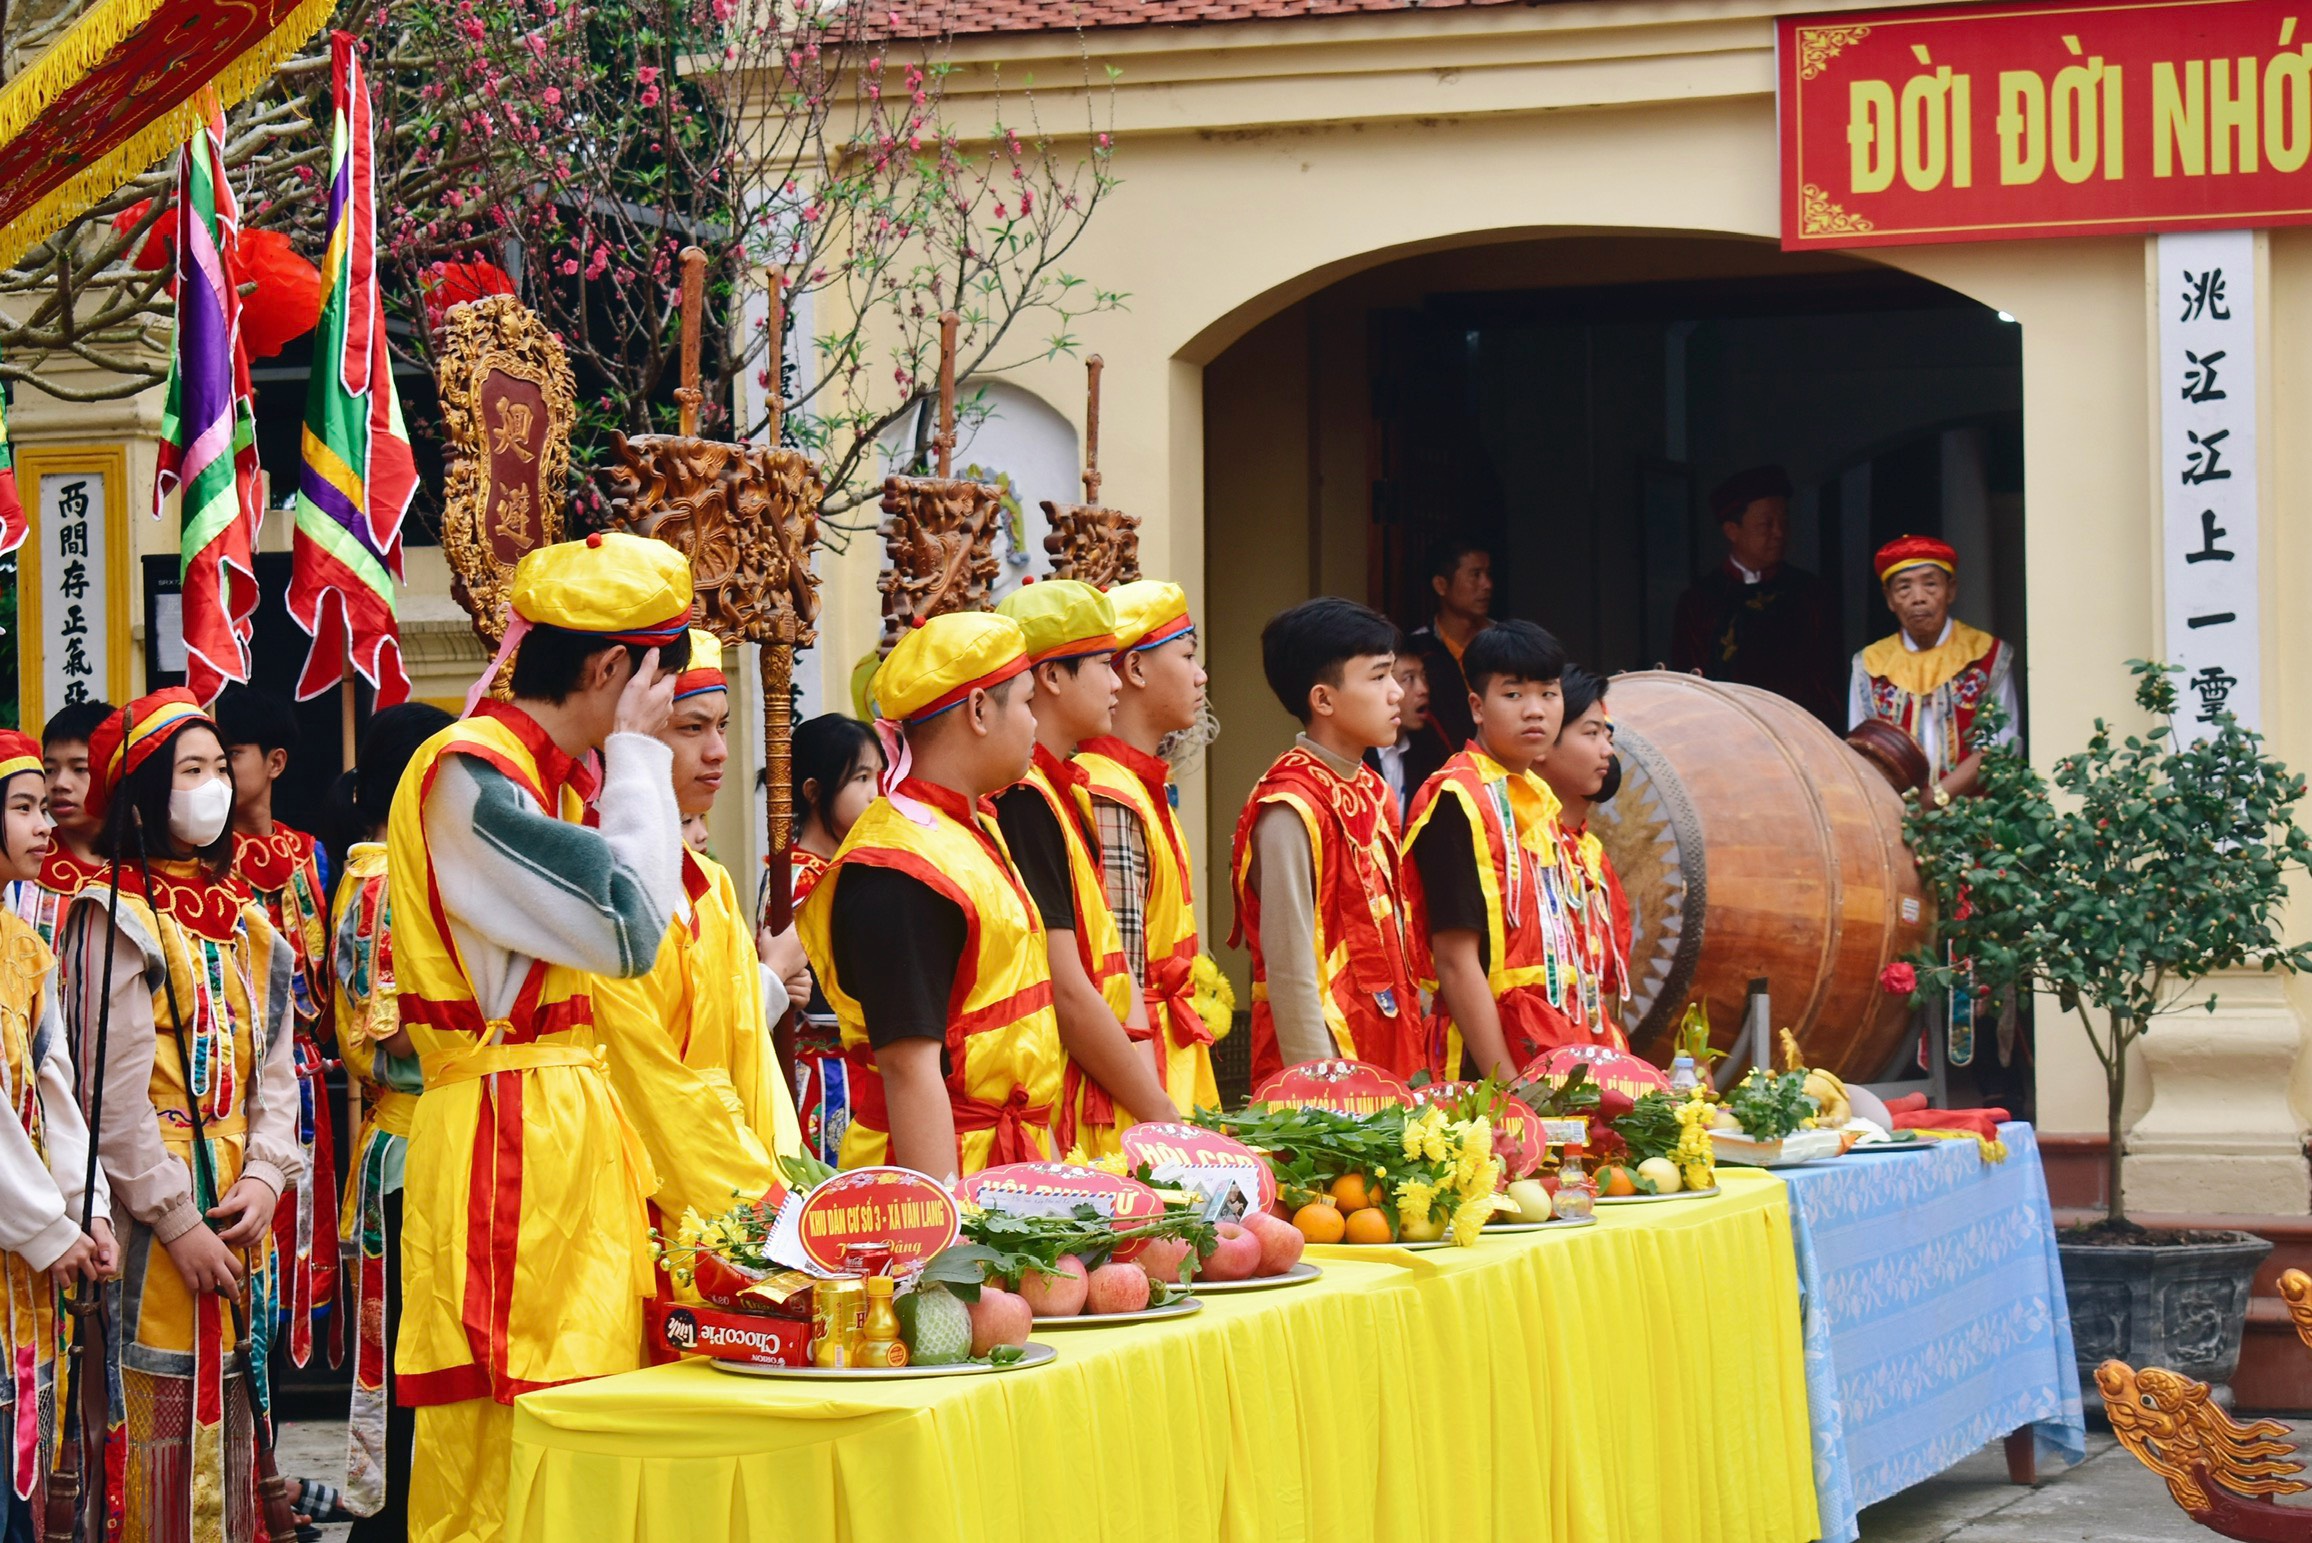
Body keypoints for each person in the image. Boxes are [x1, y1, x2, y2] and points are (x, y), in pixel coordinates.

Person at [385, 531, 700, 1543]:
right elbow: (630, 928)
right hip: (506, 1145)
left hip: (562, 1136)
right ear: (613, 669)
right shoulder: (469, 778)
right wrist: (642, 761)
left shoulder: (549, 775)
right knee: (509, 1429)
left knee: (587, 1407)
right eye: (661, 690)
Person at [66, 690, 300, 1543]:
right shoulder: (112, 915)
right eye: (188, 770)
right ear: (141, 790)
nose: (211, 787)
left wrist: (270, 1172)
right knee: (160, 1417)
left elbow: (276, 1069)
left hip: (241, 1207)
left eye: (215, 767)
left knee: (240, 1407)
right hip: (153, 1218)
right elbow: (110, 1101)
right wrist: (174, 1221)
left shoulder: (244, 917)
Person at [796, 611, 1066, 1178]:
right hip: (939, 1182)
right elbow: (908, 1069)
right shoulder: (899, 865)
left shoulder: (973, 830)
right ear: (977, 710)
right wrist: (943, 1250)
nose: (1037, 723)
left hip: (1006, 1166)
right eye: (1025, 703)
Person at [592, 627, 808, 1223]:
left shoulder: (713, 887)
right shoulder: (600, 884)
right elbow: (649, 1085)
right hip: (643, 1193)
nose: (718, 751)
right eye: (692, 728)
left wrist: (788, 1195)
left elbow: (753, 1066)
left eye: (723, 726)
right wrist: (758, 1208)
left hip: (732, 1190)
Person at [993, 580, 1178, 1156]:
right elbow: (1068, 993)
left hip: (1102, 1085)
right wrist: (1163, 1116)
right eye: (1103, 663)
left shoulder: (1058, 787)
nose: (1117, 681)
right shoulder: (1025, 798)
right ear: (1051, 678)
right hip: (1077, 1100)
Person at [327, 702, 451, 1538]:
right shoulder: (382, 879)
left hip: (420, 1135)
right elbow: (393, 1025)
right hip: (411, 1142)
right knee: (408, 1358)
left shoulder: (392, 869)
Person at [1230, 597, 1427, 1086]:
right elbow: (1291, 967)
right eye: (1379, 676)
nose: (1396, 693)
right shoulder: (1290, 804)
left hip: (1390, 1045)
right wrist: (1318, 1090)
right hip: (1329, 1070)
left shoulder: (1373, 790)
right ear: (1323, 700)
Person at [0, 728, 115, 1528]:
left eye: (45, 808)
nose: (45, 825)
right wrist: (48, 1224)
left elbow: (57, 1095)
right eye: (23, 807)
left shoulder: (26, 951)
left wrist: (88, 1212)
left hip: (28, 1267)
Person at [1403, 620, 1599, 1081]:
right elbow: (1454, 958)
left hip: (1549, 1050)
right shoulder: (1456, 800)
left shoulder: (1538, 799)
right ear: (1477, 706)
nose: (1535, 711)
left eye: (1548, 694)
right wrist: (1507, 1081)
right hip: (1482, 1068)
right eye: (1513, 695)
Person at [211, 684, 336, 1370]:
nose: (218, 777)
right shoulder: (199, 865)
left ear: (276, 762)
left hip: (305, 1088)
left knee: (296, 1257)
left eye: (229, 758)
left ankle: (271, 1456)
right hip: (227, 1082)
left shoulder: (313, 857)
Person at [1074, 581, 1219, 1114]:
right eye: (1187, 656)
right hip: (1144, 1070)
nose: (1201, 675)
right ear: (1134, 670)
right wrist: (1157, 1110)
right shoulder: (1107, 791)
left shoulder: (1140, 785)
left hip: (1169, 1057)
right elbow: (1124, 977)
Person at [1668, 465, 1843, 725]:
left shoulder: (1811, 592)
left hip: (1800, 737)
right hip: (1726, 739)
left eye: (1784, 521)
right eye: (1766, 525)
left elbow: (1830, 681)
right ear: (1732, 530)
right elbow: (1689, 688)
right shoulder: (1700, 601)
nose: (1779, 533)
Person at [1850, 534, 2021, 799]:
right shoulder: (1871, 664)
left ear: (1950, 590)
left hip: (1976, 817)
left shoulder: (1986, 654)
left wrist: (1938, 797)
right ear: (1889, 599)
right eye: (1904, 588)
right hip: (1898, 816)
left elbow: (2002, 743)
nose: (1918, 598)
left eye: (1930, 584)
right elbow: (1861, 752)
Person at [784, 714, 882, 1166]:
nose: (874, 793)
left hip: (854, 1068)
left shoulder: (840, 870)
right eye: (861, 778)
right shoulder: (803, 879)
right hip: (826, 1076)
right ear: (813, 791)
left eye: (877, 776)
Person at [1536, 666, 1636, 1043]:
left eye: (1606, 735)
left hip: (1590, 1047)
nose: (1607, 750)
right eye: (1591, 733)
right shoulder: (1522, 848)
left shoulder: (1590, 853)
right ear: (1542, 743)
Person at [11, 700, 114, 947]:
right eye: (50, 769)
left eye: (80, 769)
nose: (60, 783)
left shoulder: (148, 864)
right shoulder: (22, 865)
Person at [1403, 539, 1495, 786]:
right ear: (1441, 585)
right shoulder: (1417, 650)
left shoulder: (1504, 647)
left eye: (1487, 574)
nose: (1487, 585)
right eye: (1475, 575)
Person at [1369, 653, 1432, 818]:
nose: (1423, 689)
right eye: (1409, 678)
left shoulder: (1426, 754)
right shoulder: (1358, 755)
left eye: (1424, 676)